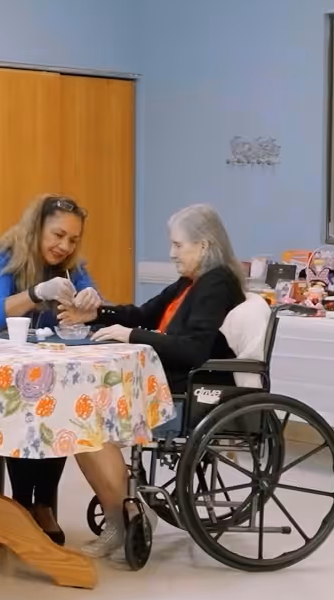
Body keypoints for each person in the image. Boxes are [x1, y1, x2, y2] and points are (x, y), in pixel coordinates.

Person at [80, 204, 245, 561]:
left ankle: (125, 513)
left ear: (202, 246)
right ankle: (123, 511)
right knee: (81, 419)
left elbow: (192, 350)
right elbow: (142, 314)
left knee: (84, 422)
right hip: (167, 381)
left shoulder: (217, 284)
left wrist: (131, 335)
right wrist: (99, 314)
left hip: (189, 390)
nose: (171, 253)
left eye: (177, 245)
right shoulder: (191, 282)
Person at [0, 194, 103, 544]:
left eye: (73, 240)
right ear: (36, 229)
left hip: (54, 373)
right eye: (58, 235)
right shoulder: (2, 256)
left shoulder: (72, 267)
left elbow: (94, 311)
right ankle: (20, 504)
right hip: (5, 373)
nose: (64, 246)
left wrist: (92, 303)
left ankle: (42, 504)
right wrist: (36, 293)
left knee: (60, 408)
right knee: (23, 408)